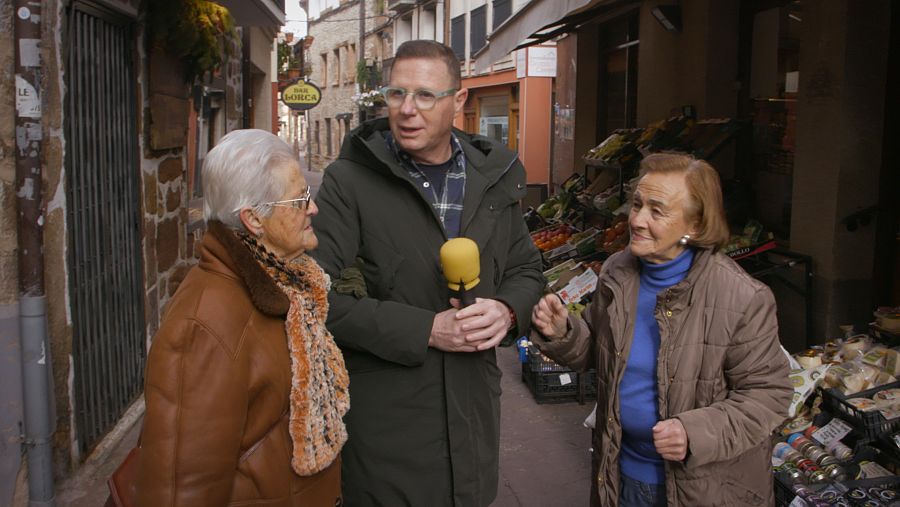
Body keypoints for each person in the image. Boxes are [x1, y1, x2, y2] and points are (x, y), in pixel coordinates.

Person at [310, 40, 544, 506]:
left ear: (458, 101)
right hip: (388, 425)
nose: (406, 110)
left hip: (473, 414)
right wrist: (426, 330)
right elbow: (314, 298)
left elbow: (526, 270)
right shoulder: (348, 182)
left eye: (424, 96)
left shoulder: (493, 177)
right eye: (397, 94)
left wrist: (507, 310)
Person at [531, 153, 791, 506]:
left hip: (705, 490)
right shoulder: (617, 273)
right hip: (619, 471)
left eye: (657, 210)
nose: (636, 219)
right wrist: (563, 331)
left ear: (695, 226)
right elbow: (600, 351)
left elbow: (768, 396)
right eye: (637, 204)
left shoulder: (743, 297)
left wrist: (694, 432)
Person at [135, 129, 348, 506]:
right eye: (300, 199)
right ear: (253, 219)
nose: (313, 208)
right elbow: (179, 489)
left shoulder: (285, 285)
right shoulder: (205, 326)